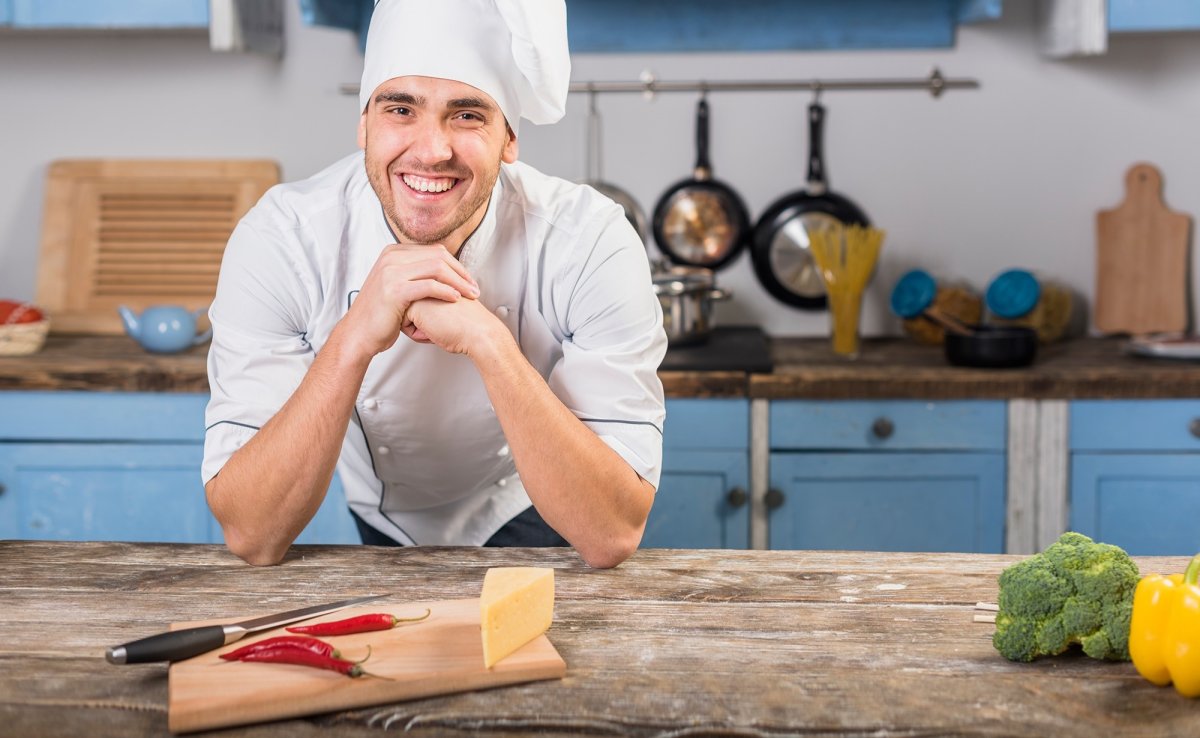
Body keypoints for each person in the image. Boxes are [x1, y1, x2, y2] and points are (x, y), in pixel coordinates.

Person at [201, 0, 667, 568]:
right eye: (401, 109)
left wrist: (491, 344)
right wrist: (351, 340)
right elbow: (252, 532)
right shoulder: (285, 240)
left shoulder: (588, 241)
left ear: (510, 140)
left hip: (534, 502)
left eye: (467, 115)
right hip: (375, 513)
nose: (431, 150)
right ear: (364, 123)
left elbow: (611, 534)